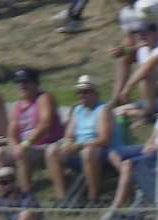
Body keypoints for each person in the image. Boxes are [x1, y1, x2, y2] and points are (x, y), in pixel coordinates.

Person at [48, 73, 124, 204]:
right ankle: (62, 197)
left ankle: (93, 197)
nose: (81, 95)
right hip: (81, 148)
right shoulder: (77, 110)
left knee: (87, 152)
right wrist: (67, 144)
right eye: (79, 92)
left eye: (85, 91)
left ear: (95, 93)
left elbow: (104, 139)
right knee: (51, 150)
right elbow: (69, 135)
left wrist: (78, 146)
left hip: (102, 150)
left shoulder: (103, 109)